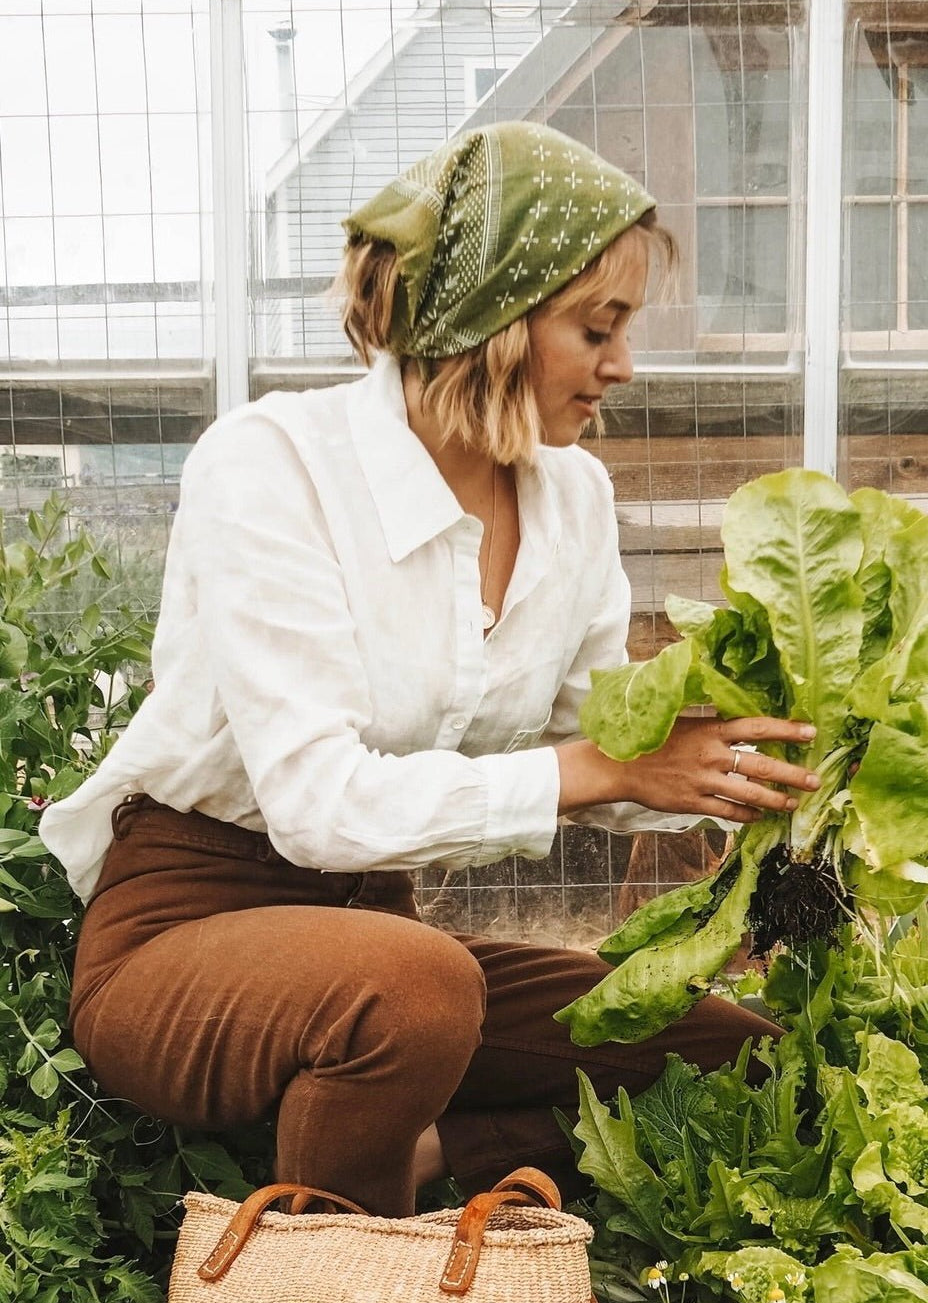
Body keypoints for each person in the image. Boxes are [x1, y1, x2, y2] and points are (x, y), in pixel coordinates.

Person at [39, 120, 819, 1219]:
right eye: (597, 326)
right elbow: (317, 805)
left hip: (383, 938)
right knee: (415, 985)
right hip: (185, 930)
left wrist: (735, 761)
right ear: (493, 321)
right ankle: (319, 1267)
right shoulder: (274, 465)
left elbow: (610, 746)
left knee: (733, 1048)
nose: (624, 365)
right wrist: (599, 768)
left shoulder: (573, 496)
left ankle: (428, 1156)